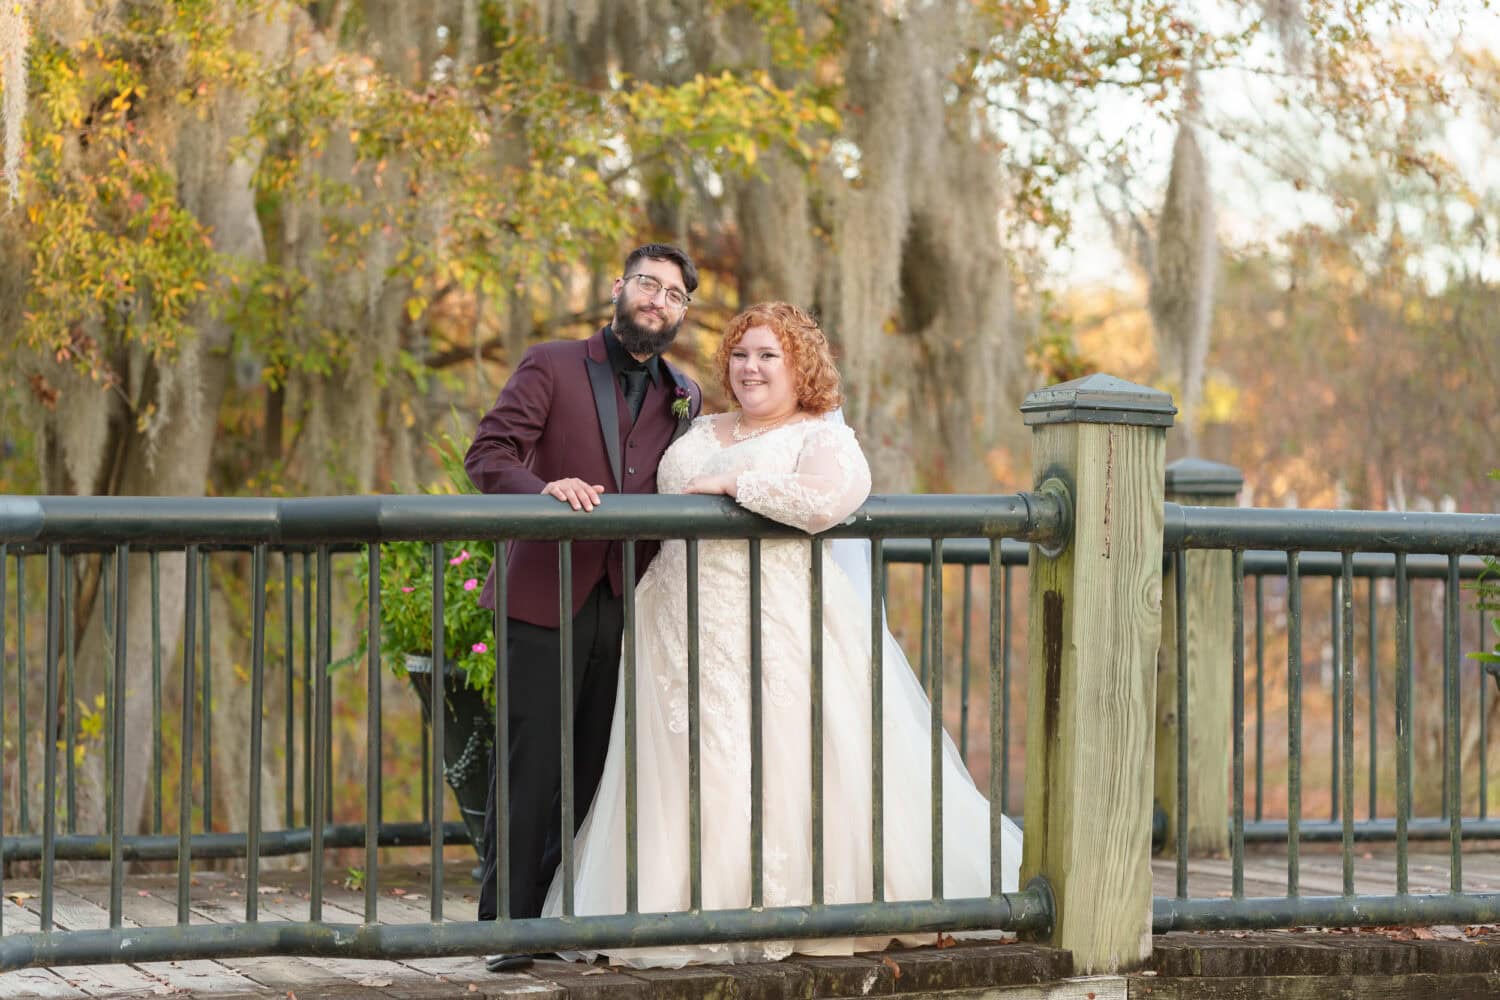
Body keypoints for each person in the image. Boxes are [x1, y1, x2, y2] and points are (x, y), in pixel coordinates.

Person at [540, 302, 1023, 967]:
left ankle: (776, 904)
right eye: (740, 355)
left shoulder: (820, 435)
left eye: (769, 355)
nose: (751, 368)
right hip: (673, 621)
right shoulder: (700, 425)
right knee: (679, 760)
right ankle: (672, 905)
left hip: (772, 619)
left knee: (772, 756)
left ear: (800, 365)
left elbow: (829, 501)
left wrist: (737, 483)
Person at [464, 243, 703, 972]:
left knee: (593, 768)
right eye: (646, 283)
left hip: (625, 601)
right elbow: (489, 455)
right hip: (545, 592)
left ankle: (553, 913)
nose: (656, 299)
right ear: (618, 288)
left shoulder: (685, 394)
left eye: (672, 294)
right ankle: (505, 930)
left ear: (683, 312)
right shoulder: (553, 363)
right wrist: (541, 490)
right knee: (531, 764)